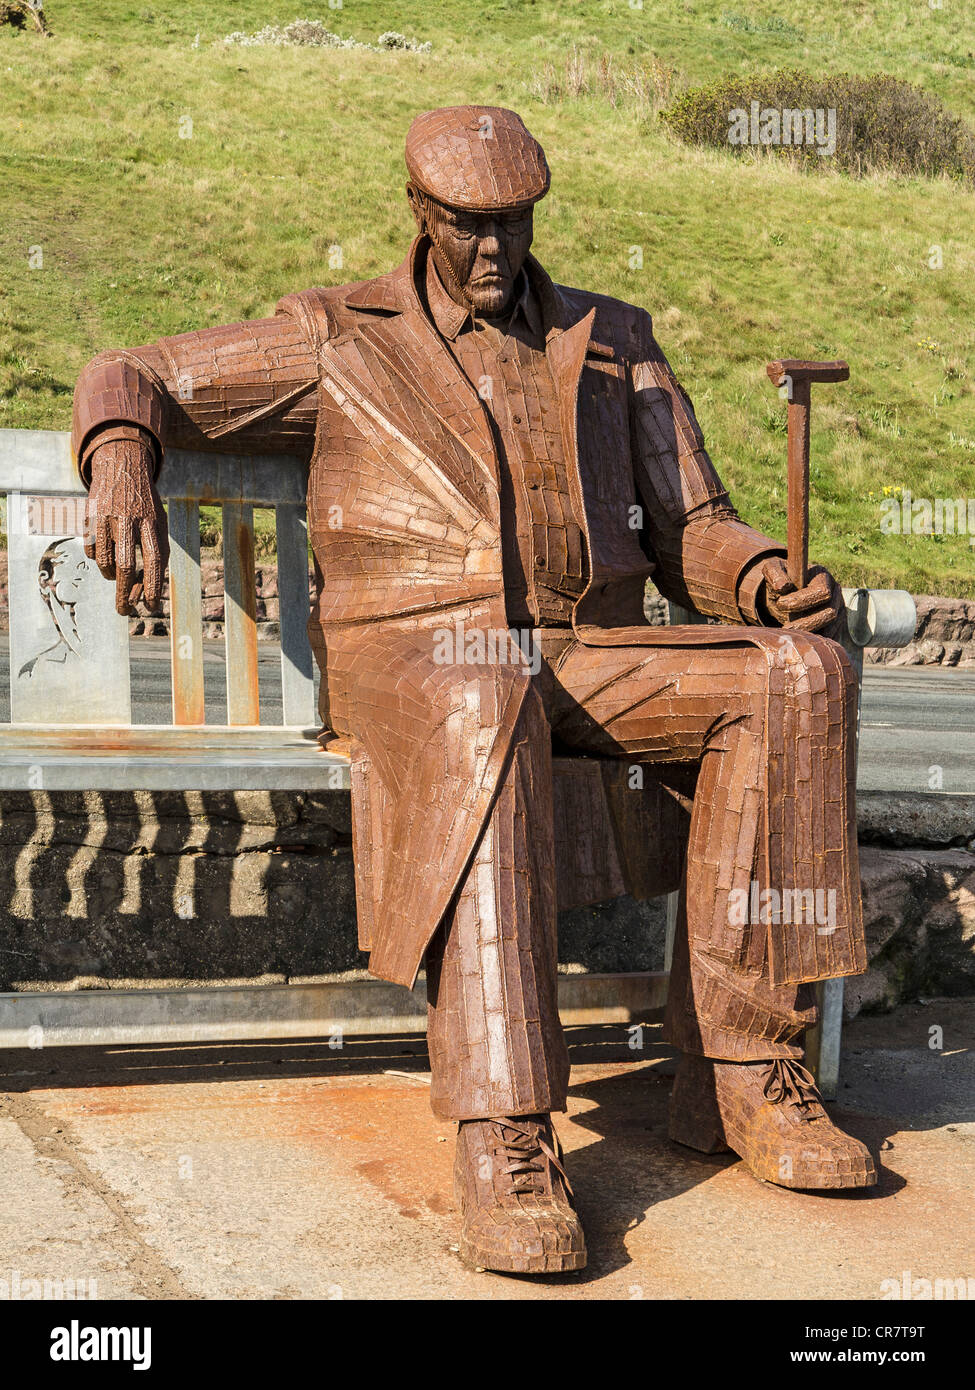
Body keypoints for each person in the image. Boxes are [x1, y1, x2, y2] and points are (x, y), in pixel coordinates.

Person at [71, 106, 874, 1276]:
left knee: (798, 674)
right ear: (419, 213)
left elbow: (692, 525)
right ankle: (506, 1127)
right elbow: (132, 370)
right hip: (422, 661)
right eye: (467, 226)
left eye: (513, 222)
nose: (495, 248)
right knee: (481, 697)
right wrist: (120, 454)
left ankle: (747, 1070)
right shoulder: (339, 334)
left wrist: (757, 578)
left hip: (586, 649)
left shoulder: (618, 344)